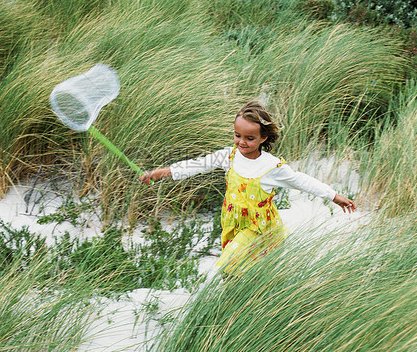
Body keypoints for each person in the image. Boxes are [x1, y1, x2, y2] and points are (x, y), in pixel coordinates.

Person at [139, 101, 356, 274]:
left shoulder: (272, 166)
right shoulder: (228, 156)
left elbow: (301, 180)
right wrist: (158, 173)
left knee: (228, 264)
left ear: (263, 138)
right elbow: (194, 166)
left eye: (250, 138)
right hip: (232, 223)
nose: (242, 142)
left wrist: (333, 196)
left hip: (259, 227)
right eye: (237, 135)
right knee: (235, 272)